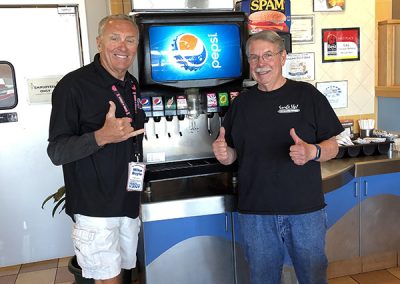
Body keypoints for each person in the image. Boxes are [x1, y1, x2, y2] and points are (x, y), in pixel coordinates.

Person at [212, 30, 344, 284]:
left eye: (268, 55)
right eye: (254, 57)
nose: (261, 64)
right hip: (256, 213)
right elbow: (232, 156)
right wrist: (223, 153)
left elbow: (333, 145)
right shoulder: (241, 104)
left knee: (314, 277)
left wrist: (312, 151)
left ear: (283, 57)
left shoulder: (307, 95)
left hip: (304, 212)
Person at [47, 14, 145, 284]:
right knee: (107, 279)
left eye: (130, 40)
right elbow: (57, 151)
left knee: (122, 274)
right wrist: (100, 136)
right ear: (99, 42)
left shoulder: (131, 84)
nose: (122, 47)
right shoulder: (73, 86)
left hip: (127, 199)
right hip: (95, 207)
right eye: (114, 38)